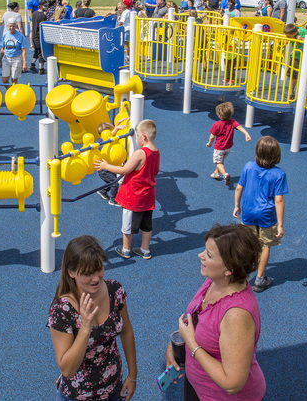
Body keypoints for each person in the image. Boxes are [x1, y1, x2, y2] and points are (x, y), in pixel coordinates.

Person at [168, 224, 266, 401]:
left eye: (209, 255)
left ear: (229, 269)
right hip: (199, 386)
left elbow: (232, 384)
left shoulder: (237, 315)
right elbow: (197, 320)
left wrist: (191, 343)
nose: (200, 255)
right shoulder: (215, 281)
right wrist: (176, 345)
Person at [47, 235, 137, 401]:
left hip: (114, 388)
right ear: (71, 272)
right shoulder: (62, 310)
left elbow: (126, 331)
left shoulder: (114, 290)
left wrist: (132, 375)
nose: (96, 278)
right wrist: (86, 327)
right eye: (88, 273)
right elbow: (67, 369)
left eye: (99, 269)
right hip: (78, 396)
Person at [95, 119, 160, 260]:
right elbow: (153, 171)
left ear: (144, 137)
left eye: (137, 136)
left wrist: (106, 166)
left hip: (134, 196)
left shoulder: (140, 153)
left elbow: (124, 170)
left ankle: (125, 249)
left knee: (128, 225)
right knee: (147, 225)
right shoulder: (156, 152)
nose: (137, 139)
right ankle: (145, 249)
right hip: (148, 195)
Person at [233, 136, 288, 293]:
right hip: (266, 216)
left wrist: (237, 205)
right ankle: (259, 279)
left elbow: (239, 188)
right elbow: (279, 200)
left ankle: (240, 274)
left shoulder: (249, 166)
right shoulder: (279, 174)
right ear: (277, 155)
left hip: (249, 211)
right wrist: (281, 224)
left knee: (246, 243)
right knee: (264, 246)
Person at [207, 101, 251, 185]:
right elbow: (240, 127)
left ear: (219, 115)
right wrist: (246, 134)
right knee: (221, 160)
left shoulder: (216, 125)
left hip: (219, 147)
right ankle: (216, 173)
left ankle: (225, 174)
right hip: (228, 147)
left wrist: (209, 143)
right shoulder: (232, 122)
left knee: (218, 162)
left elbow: (212, 136)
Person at [95, 121, 128, 206]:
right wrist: (116, 128)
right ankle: (113, 200)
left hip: (106, 167)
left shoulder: (102, 140)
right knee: (114, 183)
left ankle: (102, 191)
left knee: (110, 181)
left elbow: (110, 136)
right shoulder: (102, 141)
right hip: (103, 168)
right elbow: (108, 137)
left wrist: (117, 125)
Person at [0, 17, 27, 85]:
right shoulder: (5, 35)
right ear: (8, 26)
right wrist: (0, 60)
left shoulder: (20, 36)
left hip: (16, 58)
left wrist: (24, 63)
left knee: (14, 79)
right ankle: (10, 92)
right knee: (5, 80)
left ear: (16, 26)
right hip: (6, 58)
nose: (11, 28)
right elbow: (2, 49)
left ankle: (15, 94)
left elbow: (23, 50)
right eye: (10, 26)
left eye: (13, 26)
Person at [29, 3, 47, 75]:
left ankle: (32, 64)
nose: (46, 7)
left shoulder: (34, 13)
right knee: (41, 52)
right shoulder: (43, 15)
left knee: (37, 50)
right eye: (45, 6)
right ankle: (41, 68)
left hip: (34, 35)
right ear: (41, 6)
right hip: (39, 35)